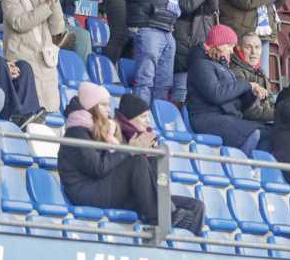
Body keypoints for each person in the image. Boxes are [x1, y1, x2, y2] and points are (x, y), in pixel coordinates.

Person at [59, 82, 204, 231]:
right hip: (86, 191)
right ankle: (159, 219)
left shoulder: (104, 130)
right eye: (103, 105)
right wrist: (130, 150)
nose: (109, 110)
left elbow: (144, 176)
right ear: (92, 107)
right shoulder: (76, 132)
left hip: (105, 186)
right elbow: (98, 168)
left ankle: (184, 248)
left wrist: (150, 154)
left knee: (196, 207)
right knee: (137, 162)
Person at [1, 0, 64, 113]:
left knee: (49, 112)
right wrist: (45, 7)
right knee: (29, 113)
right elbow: (19, 23)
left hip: (45, 60)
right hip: (22, 59)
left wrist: (54, 3)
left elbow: (57, 29)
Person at [187, 24, 265, 154]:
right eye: (229, 46)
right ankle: (244, 163)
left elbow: (238, 104)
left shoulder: (223, 67)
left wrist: (251, 94)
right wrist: (247, 84)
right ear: (218, 44)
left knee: (268, 132)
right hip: (207, 119)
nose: (231, 50)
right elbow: (216, 94)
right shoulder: (201, 65)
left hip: (227, 118)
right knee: (261, 133)